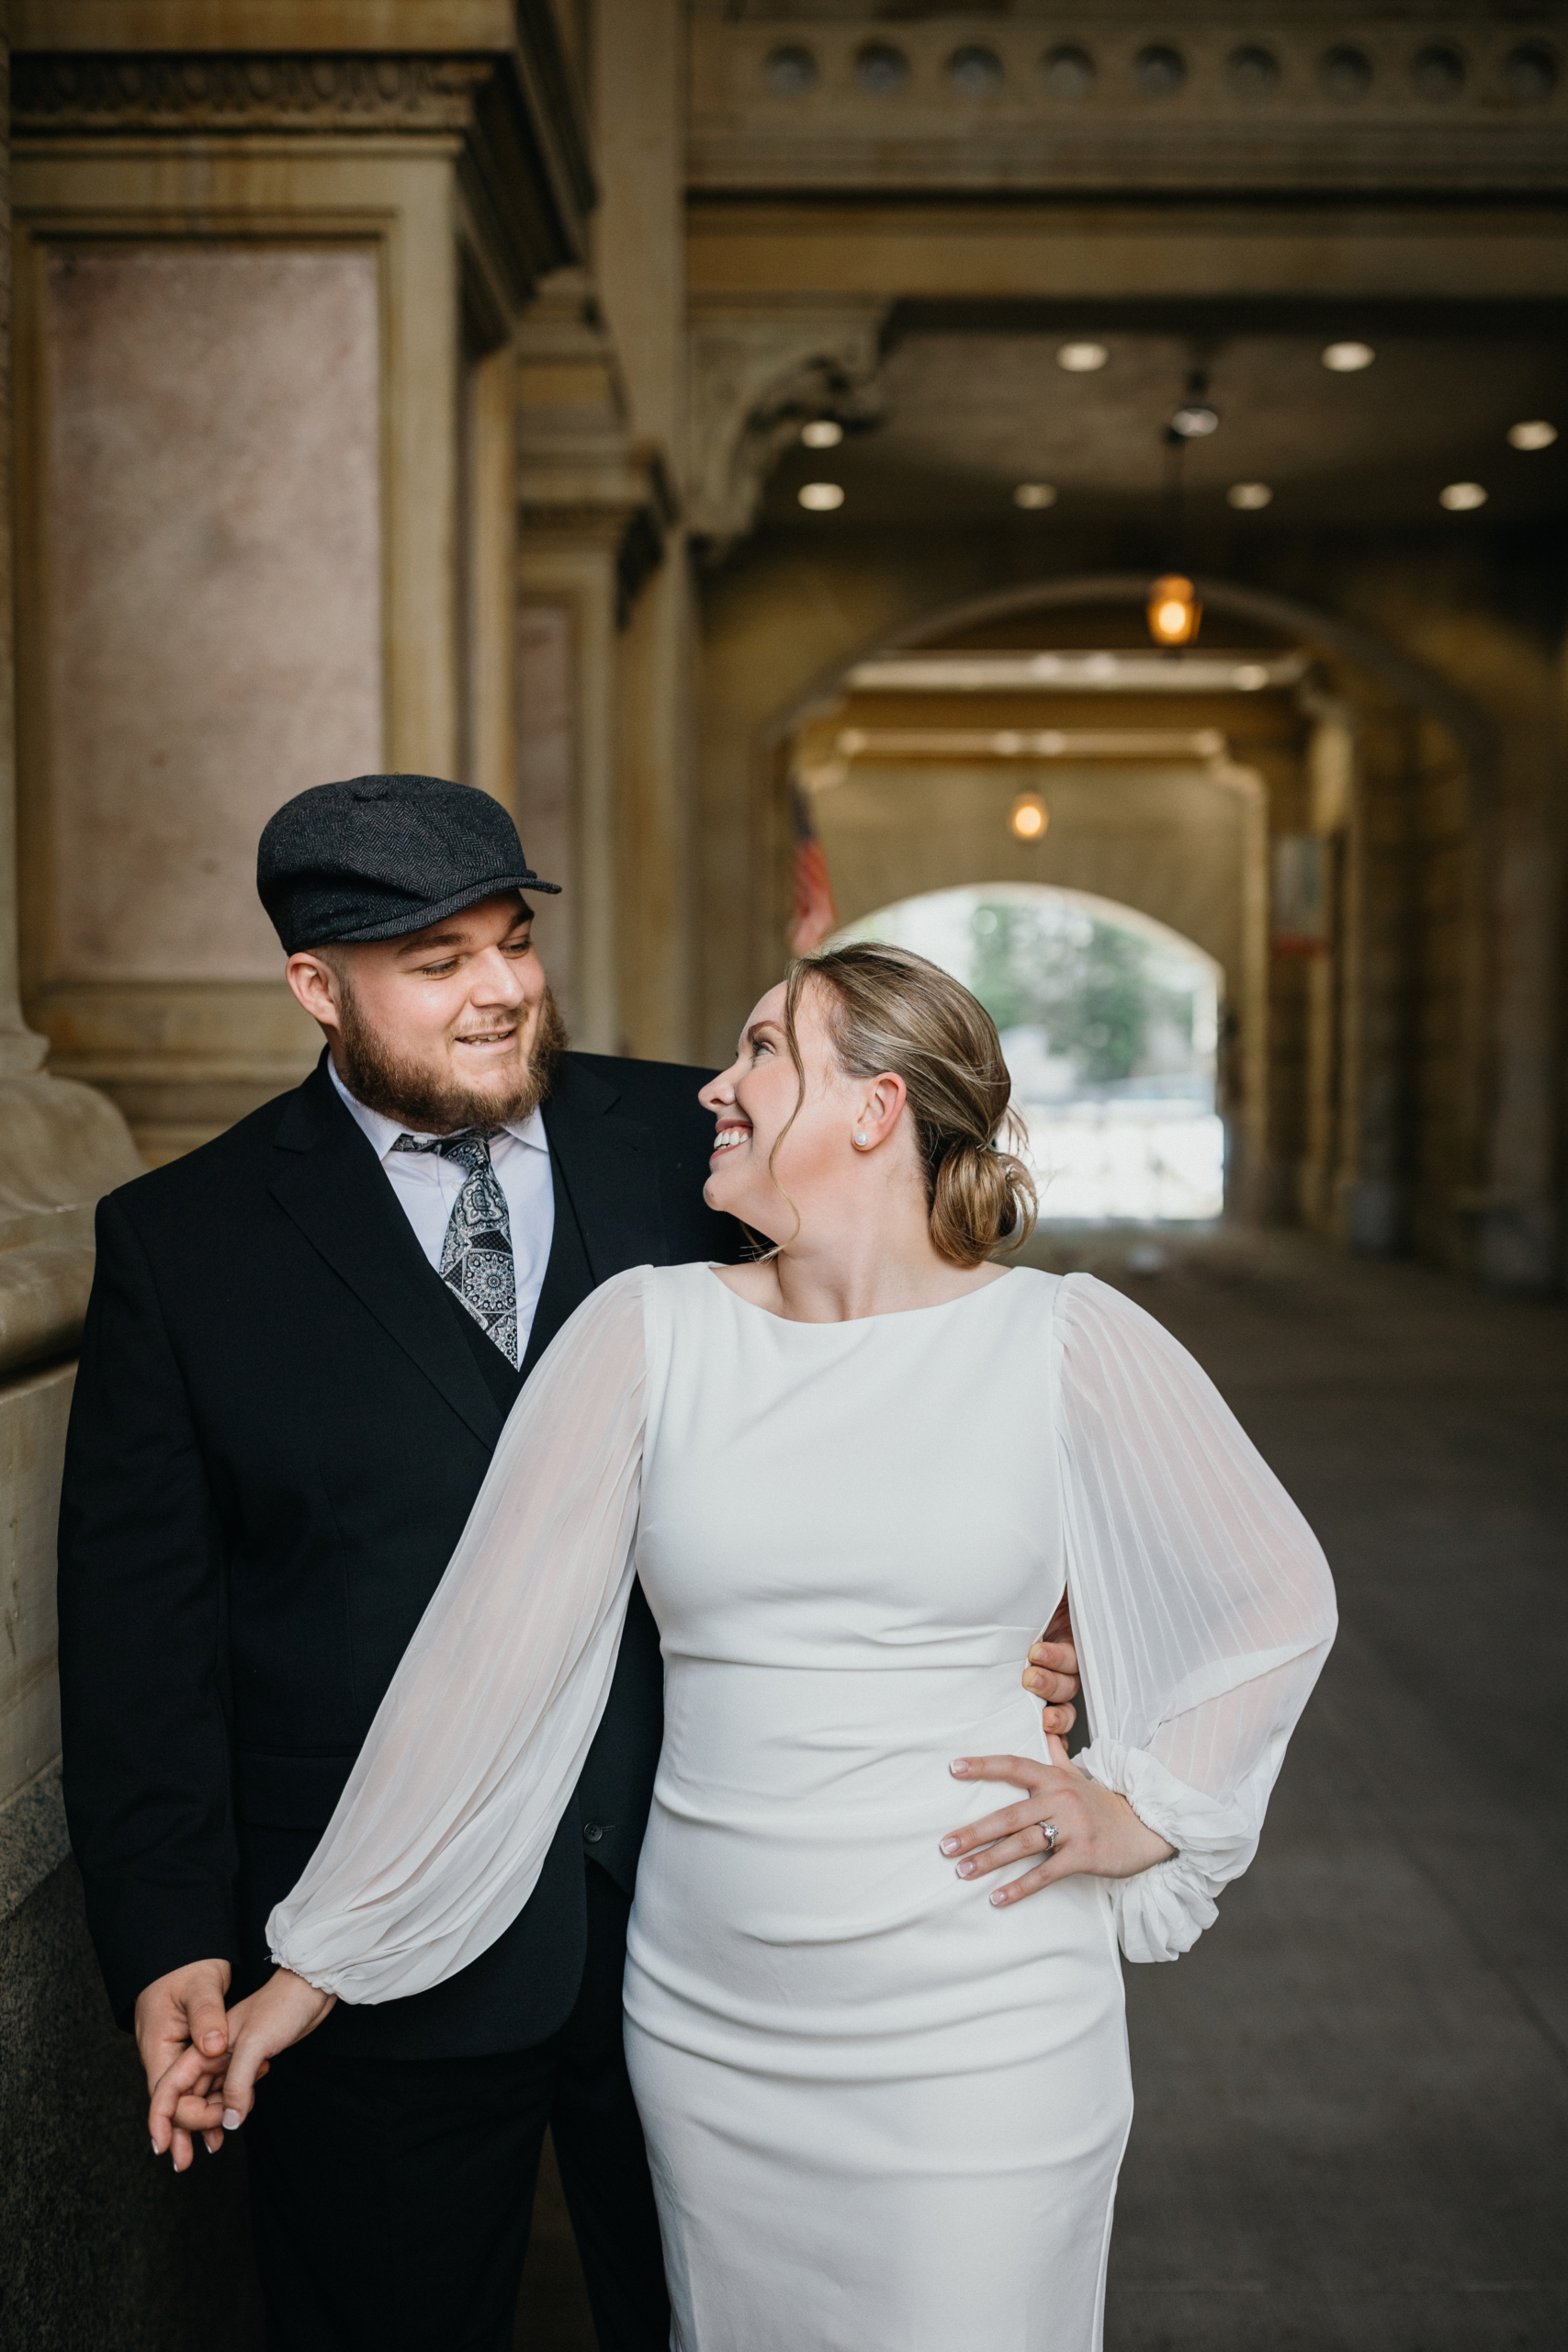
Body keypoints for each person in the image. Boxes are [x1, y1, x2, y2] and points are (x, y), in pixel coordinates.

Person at [159, 941, 1337, 2351]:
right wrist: (311, 1973)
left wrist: (1147, 1808)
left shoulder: (1067, 1339)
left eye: (765, 1050)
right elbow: (485, 1672)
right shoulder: (643, 1334)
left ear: (876, 1108)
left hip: (984, 2011)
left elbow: (1273, 1595)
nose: (716, 1086)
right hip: (712, 2010)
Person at [59, 778, 1082, 2352]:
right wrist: (175, 1937)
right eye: (434, 962)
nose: (498, 993)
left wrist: (1045, 1642)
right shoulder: (182, 1247)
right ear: (317, 990)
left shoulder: (720, 1139)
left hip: (722, 1927)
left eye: (513, 944)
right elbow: (144, 1643)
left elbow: (946, 1391)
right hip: (372, 1947)